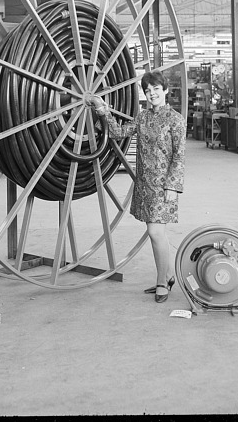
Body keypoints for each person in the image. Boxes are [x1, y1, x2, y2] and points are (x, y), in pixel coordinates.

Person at [90, 70, 186, 303]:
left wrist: (173, 187)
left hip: (164, 186)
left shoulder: (175, 120)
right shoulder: (143, 118)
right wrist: (102, 109)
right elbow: (119, 132)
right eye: (147, 90)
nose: (152, 94)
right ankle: (168, 275)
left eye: (156, 89)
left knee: (155, 233)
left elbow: (179, 157)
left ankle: (162, 281)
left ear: (165, 90)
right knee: (155, 234)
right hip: (144, 185)